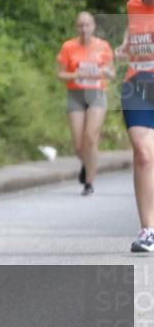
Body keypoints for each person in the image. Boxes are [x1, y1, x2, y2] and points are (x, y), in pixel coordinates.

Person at [115, 0, 154, 253]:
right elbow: (135, 30)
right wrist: (126, 46)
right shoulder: (133, 4)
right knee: (142, 153)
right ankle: (147, 230)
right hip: (138, 83)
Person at [56, 12, 114, 196]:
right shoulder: (68, 47)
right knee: (79, 145)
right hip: (76, 94)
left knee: (90, 137)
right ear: (76, 27)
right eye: (80, 25)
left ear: (93, 26)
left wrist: (105, 71)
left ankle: (89, 182)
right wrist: (76, 75)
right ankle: (87, 163)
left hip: (96, 93)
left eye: (87, 25)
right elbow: (60, 73)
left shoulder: (103, 46)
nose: (84, 29)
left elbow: (112, 73)